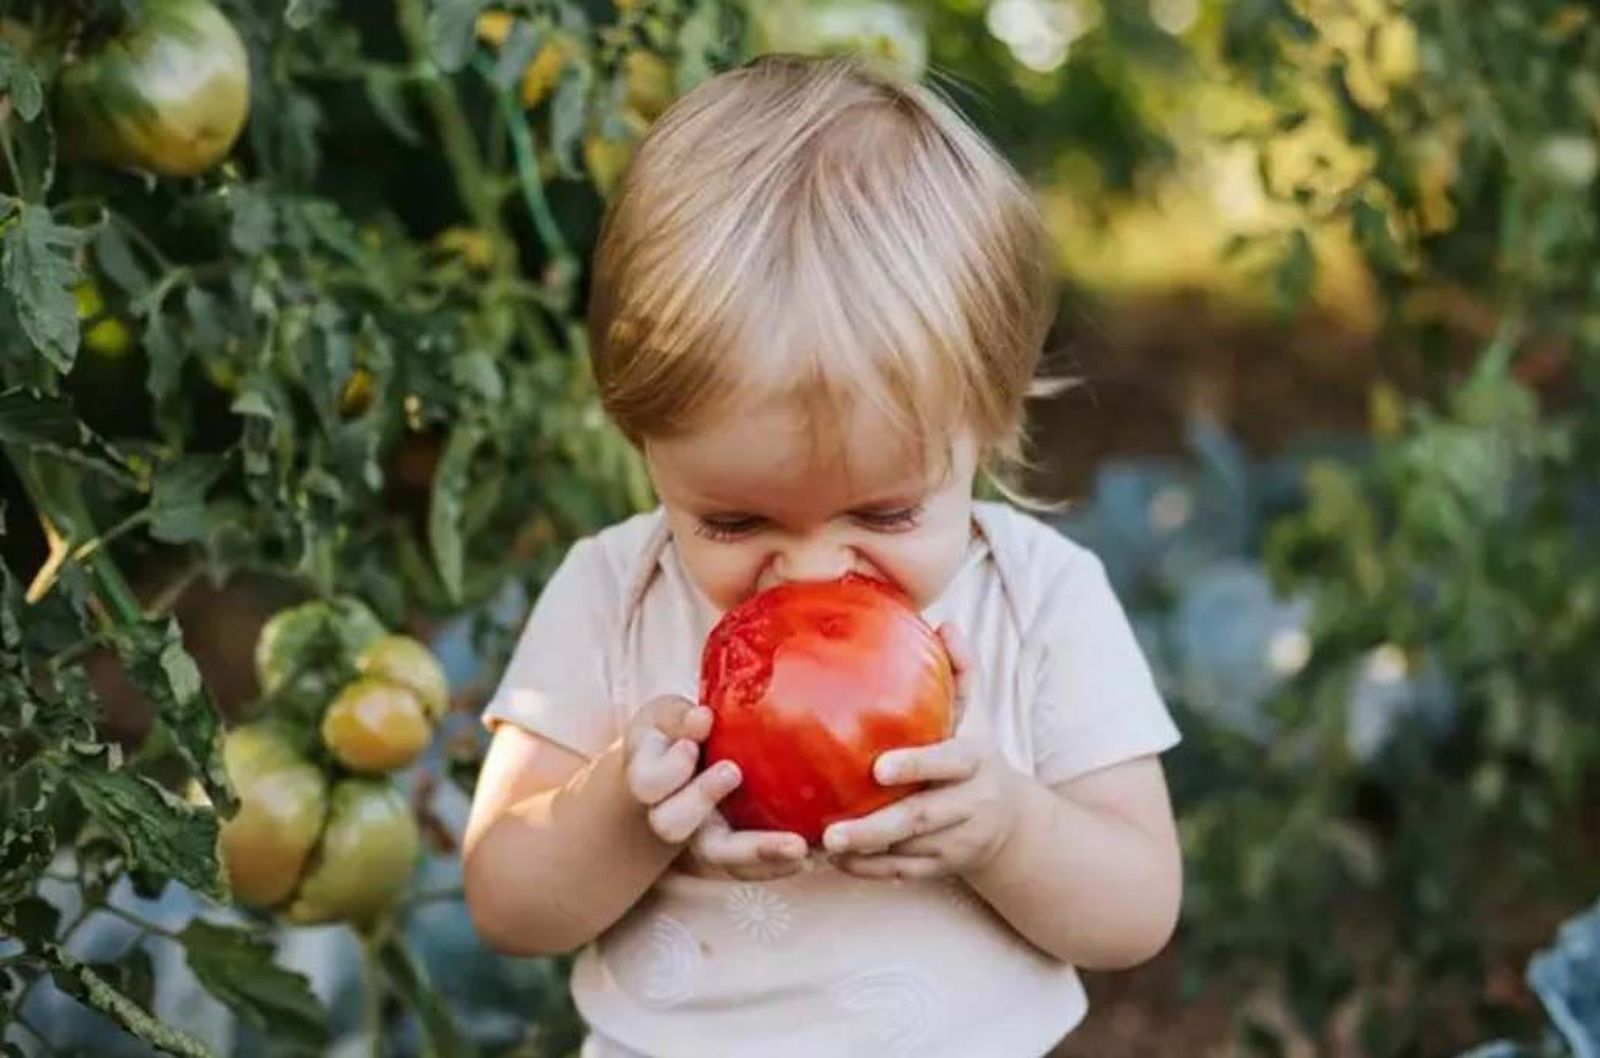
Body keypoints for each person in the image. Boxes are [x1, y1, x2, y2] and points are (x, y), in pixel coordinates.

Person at [462, 51, 1182, 1058]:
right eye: (733, 522)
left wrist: (1009, 828)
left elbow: (1137, 906)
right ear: (647, 450)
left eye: (885, 513)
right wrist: (622, 814)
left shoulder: (1042, 601)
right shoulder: (612, 596)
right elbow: (504, 897)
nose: (808, 574)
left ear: (986, 427)